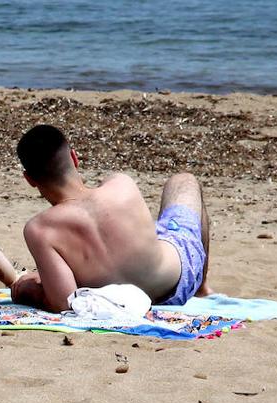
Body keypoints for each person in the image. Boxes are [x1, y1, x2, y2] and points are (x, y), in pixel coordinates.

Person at [11, 124, 213, 312]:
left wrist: (33, 288)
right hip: (177, 283)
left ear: (29, 179)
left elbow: (65, 302)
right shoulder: (120, 183)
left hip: (119, 303)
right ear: (74, 158)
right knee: (183, 181)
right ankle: (201, 287)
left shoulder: (39, 229)